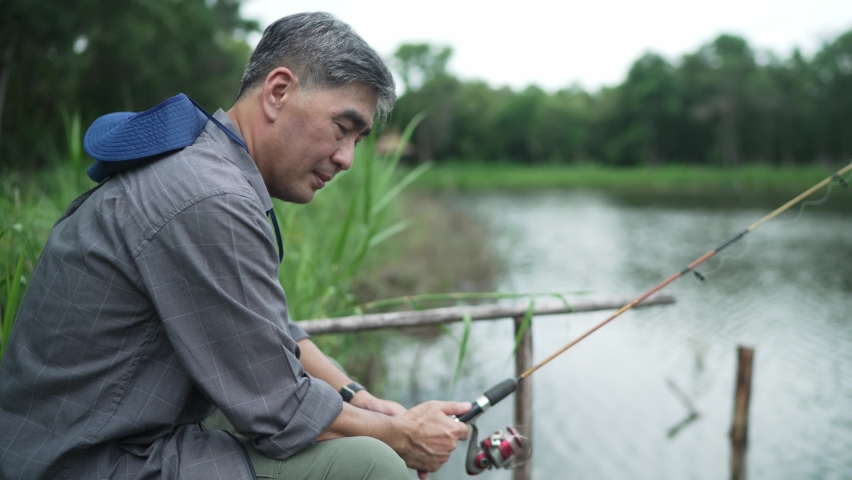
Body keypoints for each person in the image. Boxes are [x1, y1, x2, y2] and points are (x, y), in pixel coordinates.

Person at [0, 12, 470, 480]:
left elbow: (270, 327)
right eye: (341, 128)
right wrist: (401, 435)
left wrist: (359, 399)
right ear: (278, 92)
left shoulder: (202, 165)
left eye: (358, 139)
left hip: (76, 437)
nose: (347, 158)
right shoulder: (212, 196)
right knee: (372, 464)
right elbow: (281, 409)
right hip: (84, 460)